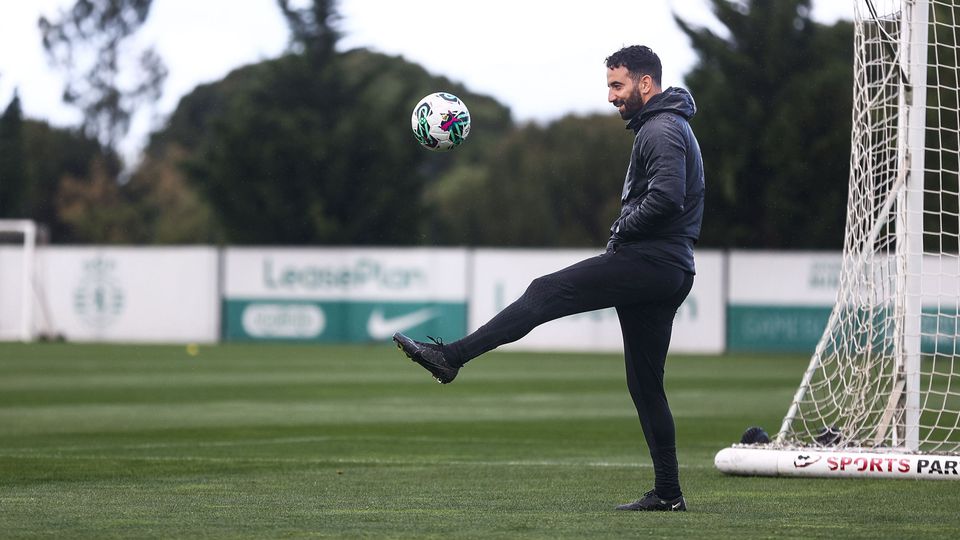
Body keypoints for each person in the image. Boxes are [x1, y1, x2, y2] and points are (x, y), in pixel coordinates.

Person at [393, 45, 704, 512]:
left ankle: (451, 357)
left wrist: (623, 227)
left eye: (617, 86)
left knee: (545, 291)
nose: (611, 97)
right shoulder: (666, 124)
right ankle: (669, 493)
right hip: (668, 268)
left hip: (651, 263)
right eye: (609, 87)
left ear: (645, 83)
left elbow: (667, 198)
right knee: (645, 386)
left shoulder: (661, 128)